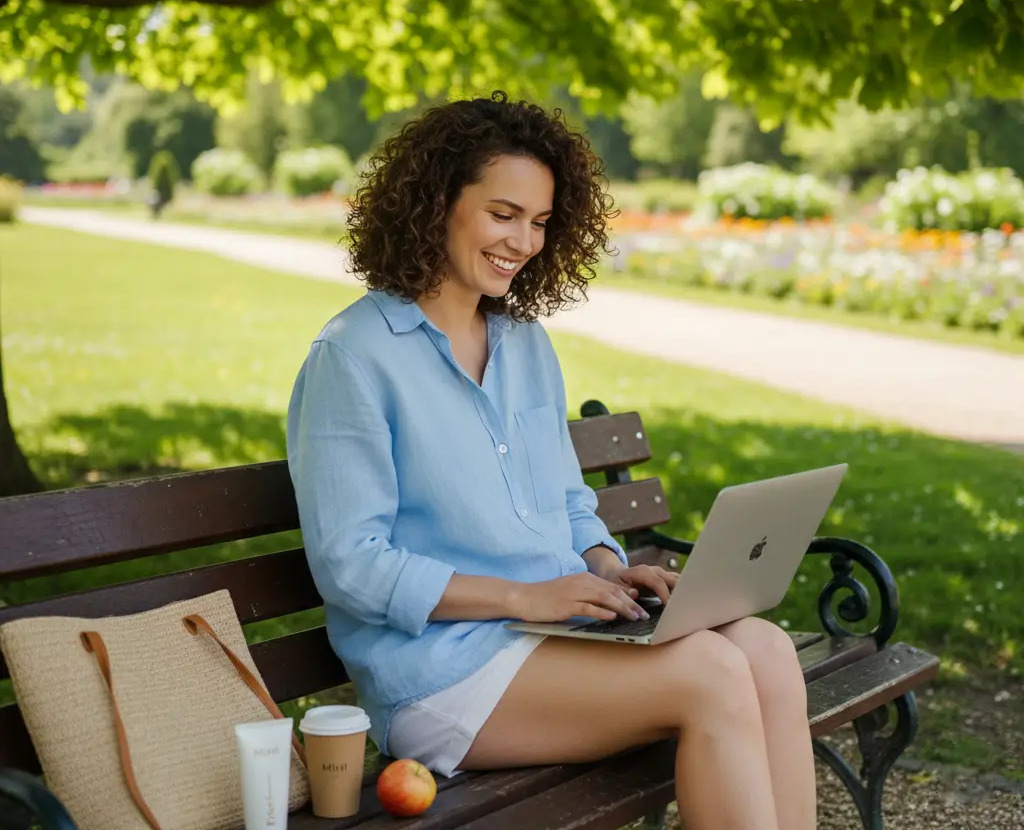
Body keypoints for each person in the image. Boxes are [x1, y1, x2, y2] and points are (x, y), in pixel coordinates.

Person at [287, 92, 814, 830]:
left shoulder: (524, 345)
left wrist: (603, 565)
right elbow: (352, 564)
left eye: (539, 222)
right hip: (441, 677)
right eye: (503, 214)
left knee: (762, 646)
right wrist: (522, 598)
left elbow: (567, 502)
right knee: (713, 675)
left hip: (555, 639)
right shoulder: (354, 356)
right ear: (436, 204)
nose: (524, 242)